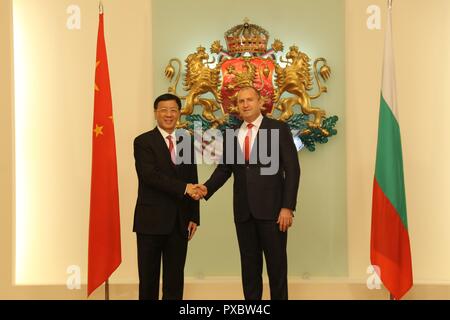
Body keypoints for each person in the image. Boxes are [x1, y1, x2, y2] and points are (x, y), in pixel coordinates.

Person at [198, 86, 300, 300]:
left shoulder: (278, 129)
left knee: (277, 268)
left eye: (250, 100)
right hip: (244, 213)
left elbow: (293, 169)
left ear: (260, 101)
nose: (245, 104)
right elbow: (225, 169)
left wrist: (287, 207)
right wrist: (206, 188)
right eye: (241, 101)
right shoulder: (232, 133)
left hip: (274, 212)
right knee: (249, 269)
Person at [133, 93, 201, 300]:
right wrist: (184, 188)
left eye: (173, 110)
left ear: (179, 113)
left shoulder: (186, 141)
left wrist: (194, 217)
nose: (168, 114)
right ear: (156, 113)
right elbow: (149, 176)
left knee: (175, 280)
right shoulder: (143, 141)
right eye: (163, 110)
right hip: (150, 222)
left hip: (179, 222)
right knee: (149, 280)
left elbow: (192, 178)